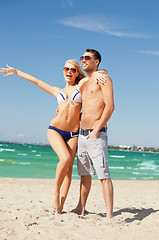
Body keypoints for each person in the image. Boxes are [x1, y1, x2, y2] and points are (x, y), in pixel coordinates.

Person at [0, 59, 107, 214]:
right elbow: (36, 81)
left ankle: (60, 207)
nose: (68, 71)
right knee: (65, 159)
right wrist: (16, 72)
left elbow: (102, 73)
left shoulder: (81, 86)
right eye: (66, 69)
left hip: (73, 134)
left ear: (77, 73)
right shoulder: (58, 91)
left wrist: (97, 72)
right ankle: (56, 194)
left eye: (72, 69)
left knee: (69, 170)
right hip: (55, 130)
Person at [72, 49, 115, 219]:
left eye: (87, 57)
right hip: (82, 135)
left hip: (96, 135)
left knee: (103, 176)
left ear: (96, 61)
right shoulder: (83, 83)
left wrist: (97, 129)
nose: (83, 59)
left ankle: (109, 215)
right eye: (82, 57)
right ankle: (80, 208)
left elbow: (110, 107)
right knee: (84, 175)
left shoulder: (104, 79)